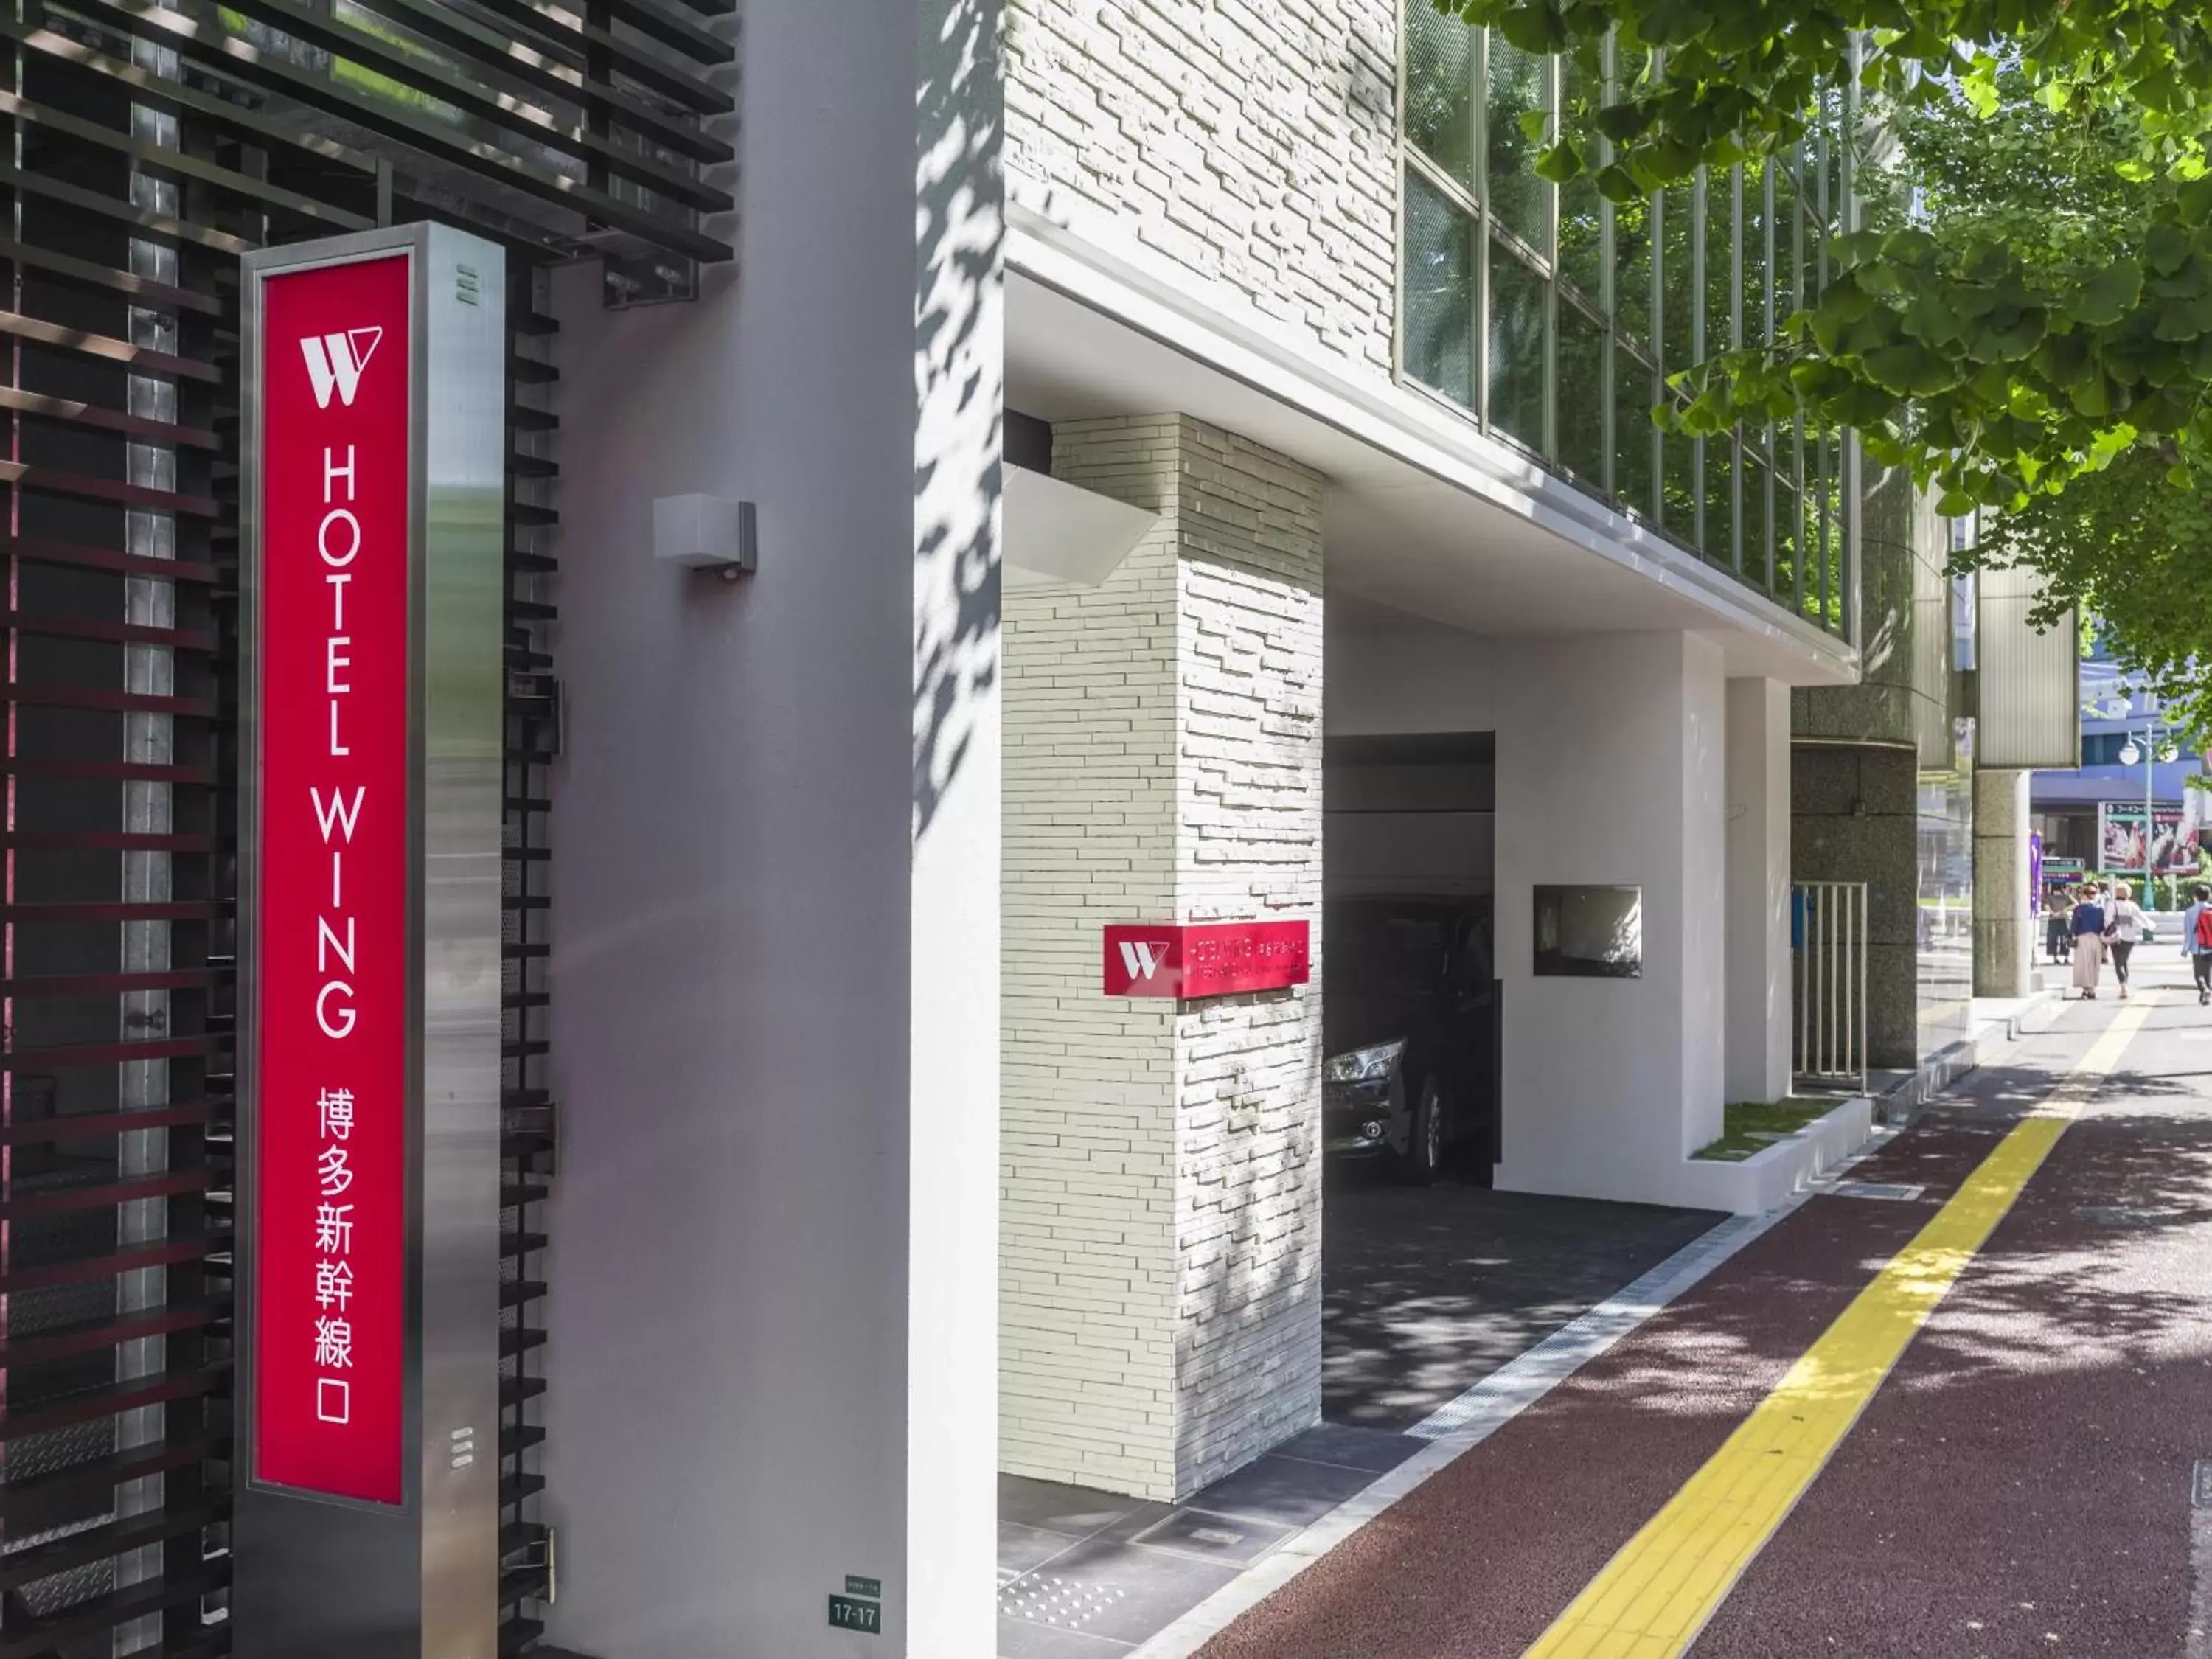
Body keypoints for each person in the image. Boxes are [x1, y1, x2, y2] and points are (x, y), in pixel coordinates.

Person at [2107, 880, 2146, 999]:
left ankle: (2123, 986)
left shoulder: (2112, 905)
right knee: (2124, 962)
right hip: (2130, 937)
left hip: (2116, 936)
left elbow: (2107, 920)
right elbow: (2142, 918)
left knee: (2118, 963)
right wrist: (2150, 926)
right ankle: (2125, 985)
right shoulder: (2132, 905)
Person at [2070, 883, 2108, 998]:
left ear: (2083, 895)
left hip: (2082, 938)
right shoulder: (2100, 910)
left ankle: (2087, 989)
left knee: (2084, 964)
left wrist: (2072, 936)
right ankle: (2092, 988)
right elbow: (2103, 927)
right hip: (2096, 939)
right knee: (2094, 964)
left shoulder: (2079, 910)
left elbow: (2074, 926)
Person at [2185, 883, 2212, 1006]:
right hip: (2210, 947)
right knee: (2207, 972)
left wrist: (2186, 949)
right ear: (2209, 897)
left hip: (2198, 948)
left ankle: (2204, 990)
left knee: (2198, 974)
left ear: (2195, 897)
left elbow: (2189, 932)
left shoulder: (2190, 912)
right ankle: (2206, 996)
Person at [2045, 886, 2073, 963]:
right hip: (2060, 919)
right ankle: (2063, 957)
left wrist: (2054, 913)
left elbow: (2047, 907)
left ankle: (2058, 957)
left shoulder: (2063, 897)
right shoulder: (2065, 897)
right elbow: (2076, 904)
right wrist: (2064, 910)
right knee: (2061, 938)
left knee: (2056, 938)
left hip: (2056, 920)